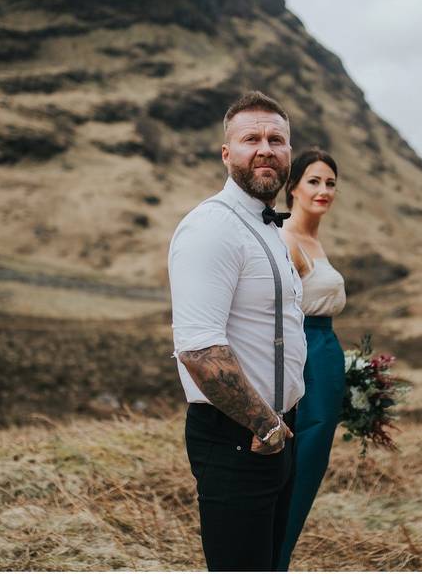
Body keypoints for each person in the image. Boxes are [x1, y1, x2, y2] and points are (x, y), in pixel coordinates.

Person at [168, 91, 308, 572]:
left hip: (279, 430)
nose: (266, 148)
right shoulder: (211, 228)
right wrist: (265, 424)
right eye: (251, 139)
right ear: (227, 154)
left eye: (277, 139)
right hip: (239, 435)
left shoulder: (268, 226)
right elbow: (199, 349)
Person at [275, 149, 346, 571]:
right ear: (294, 187)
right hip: (303, 356)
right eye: (314, 181)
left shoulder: (315, 240)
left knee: (311, 466)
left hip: (324, 356)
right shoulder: (286, 238)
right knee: (298, 469)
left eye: (331, 183)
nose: (323, 190)